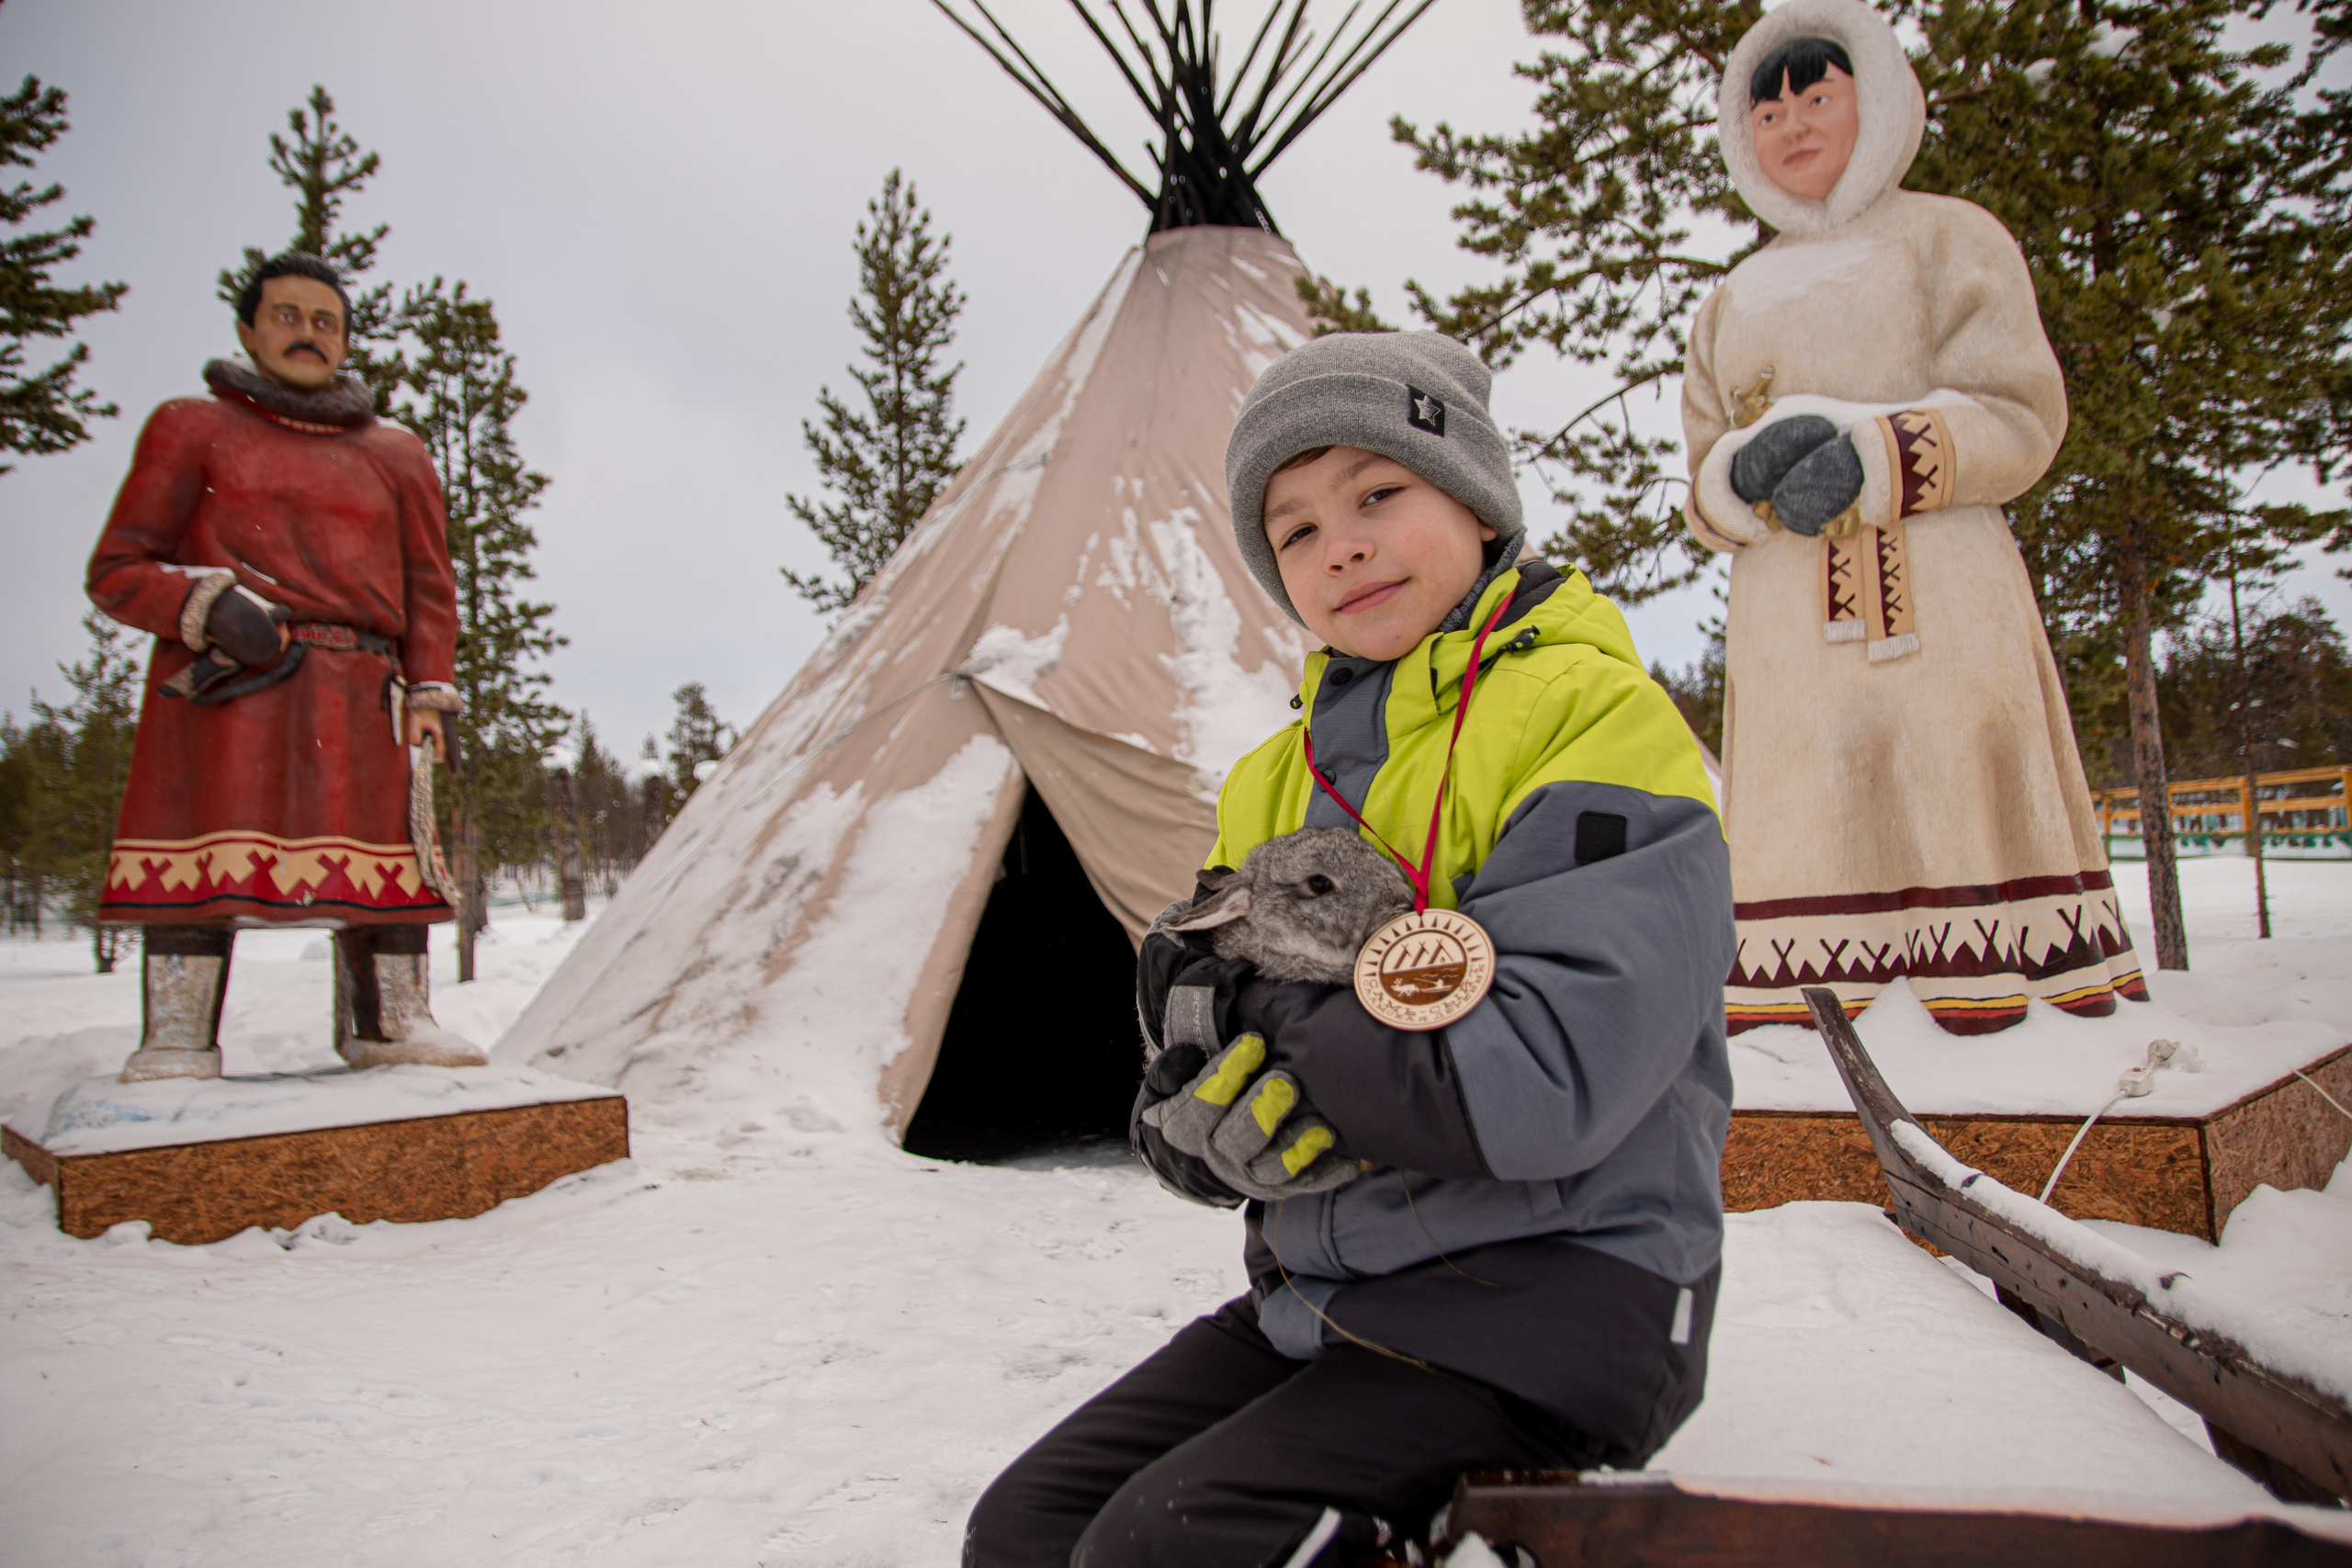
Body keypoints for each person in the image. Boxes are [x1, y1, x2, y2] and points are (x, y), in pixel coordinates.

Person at [965, 332, 1734, 1567]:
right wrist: (1192, 1130)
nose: (1345, 545)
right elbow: (1192, 1031)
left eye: (1381, 493)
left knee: (1177, 1546)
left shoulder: (1592, 718)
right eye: (1299, 530)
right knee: (1027, 1529)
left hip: (1558, 1294)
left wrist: (1262, 1023)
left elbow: (1547, 1080)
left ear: (1479, 506)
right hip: (1328, 1296)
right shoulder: (1271, 779)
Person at [1679, 0, 2146, 1036]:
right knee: (1805, 786)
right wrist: (1735, 476)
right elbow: (1702, 469)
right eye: (1769, 110)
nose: (1792, 123)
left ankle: (1998, 993)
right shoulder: (1732, 298)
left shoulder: (1949, 240)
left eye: (1817, 96)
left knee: (1948, 768)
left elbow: (2020, 413)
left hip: (1935, 590)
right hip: (1785, 619)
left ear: (1876, 102)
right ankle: (1802, 1012)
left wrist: (1878, 456)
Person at [85, 251, 486, 1081]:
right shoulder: (190, 427)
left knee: (385, 863)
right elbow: (119, 569)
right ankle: (178, 1034)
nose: (308, 334)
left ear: (345, 340)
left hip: (361, 689)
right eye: (288, 316)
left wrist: (430, 687)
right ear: (248, 328)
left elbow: (428, 583)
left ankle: (392, 1022)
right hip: (235, 680)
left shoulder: (397, 452)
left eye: (325, 322)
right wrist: (202, 604)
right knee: (199, 854)